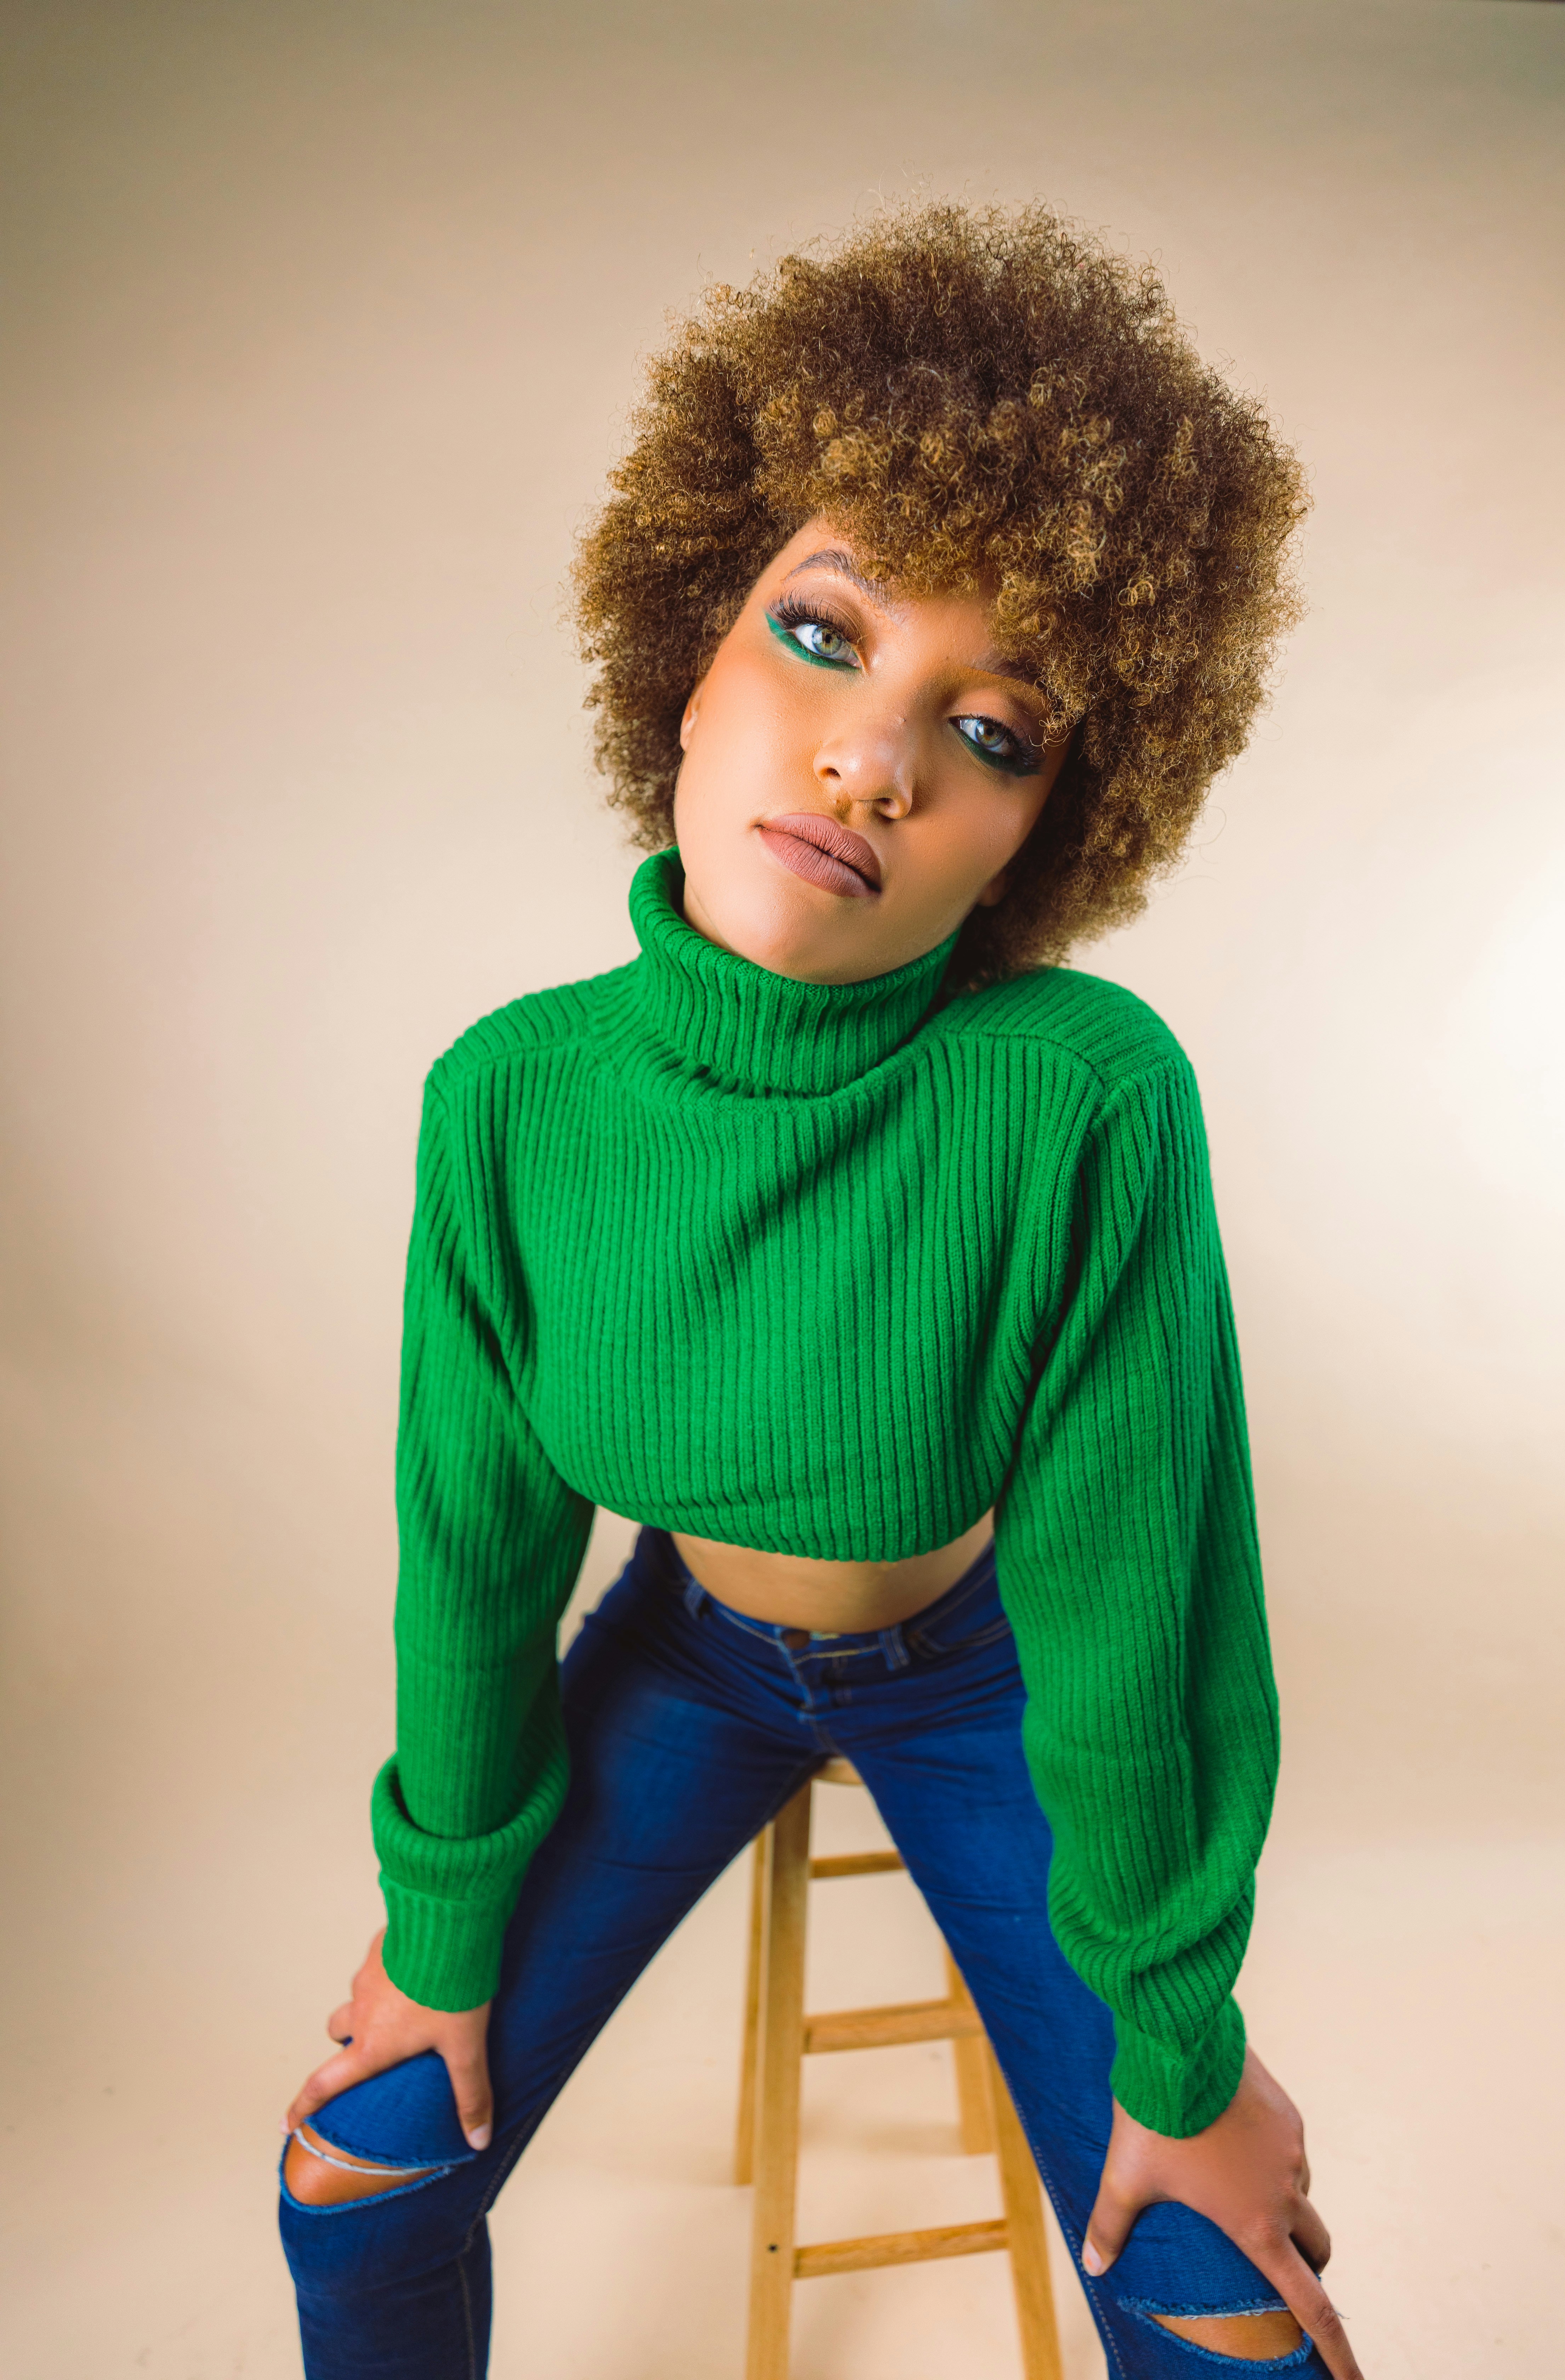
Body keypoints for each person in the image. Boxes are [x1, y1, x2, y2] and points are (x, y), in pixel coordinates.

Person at [278, 202, 1360, 2379]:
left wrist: (1183, 2046)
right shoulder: (510, 1101)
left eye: (999, 731)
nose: (878, 757)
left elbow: (1139, 1603)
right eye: (823, 633)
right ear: (685, 649)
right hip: (684, 1665)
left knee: (1228, 2312)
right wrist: (436, 1933)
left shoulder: (1080, 1101)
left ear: (1037, 842)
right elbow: (474, 1564)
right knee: (358, 2166)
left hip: (988, 1685)